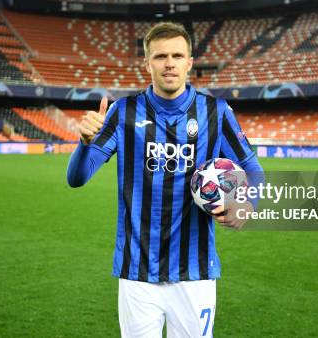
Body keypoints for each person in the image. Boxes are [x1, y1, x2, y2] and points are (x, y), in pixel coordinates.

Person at [67, 22, 263, 337]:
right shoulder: (123, 112)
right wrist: (85, 143)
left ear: (189, 62)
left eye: (177, 55)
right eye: (160, 57)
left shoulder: (216, 112)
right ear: (148, 64)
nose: (169, 63)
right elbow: (77, 178)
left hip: (195, 273)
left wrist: (247, 204)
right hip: (137, 272)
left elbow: (253, 169)